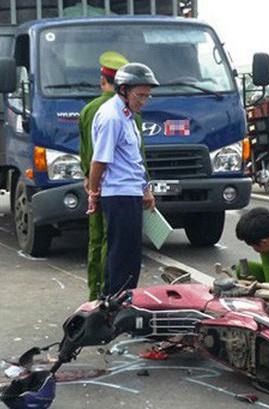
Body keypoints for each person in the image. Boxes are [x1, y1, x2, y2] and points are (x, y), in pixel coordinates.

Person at [87, 62, 158, 297]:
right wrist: (93, 193)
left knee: (130, 256)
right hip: (118, 195)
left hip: (130, 193)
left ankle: (124, 301)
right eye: (140, 95)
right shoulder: (112, 117)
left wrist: (145, 188)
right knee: (120, 256)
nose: (144, 101)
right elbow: (99, 161)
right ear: (123, 90)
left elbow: (132, 159)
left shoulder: (128, 116)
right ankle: (113, 305)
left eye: (147, 96)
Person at [78, 51, 130, 300]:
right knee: (116, 242)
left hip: (95, 185)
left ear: (102, 81)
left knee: (96, 240)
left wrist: (90, 182)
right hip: (119, 189)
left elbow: (85, 153)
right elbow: (137, 153)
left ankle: (94, 294)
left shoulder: (88, 110)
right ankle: (111, 296)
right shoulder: (126, 111)